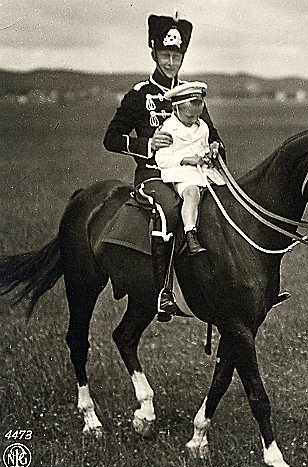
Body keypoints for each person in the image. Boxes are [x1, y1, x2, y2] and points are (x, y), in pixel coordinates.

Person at [103, 12, 226, 322]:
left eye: (177, 56)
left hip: (191, 173)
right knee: (171, 211)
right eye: (165, 55)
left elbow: (213, 135)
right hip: (153, 176)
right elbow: (111, 138)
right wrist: (146, 146)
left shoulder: (190, 96)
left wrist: (215, 148)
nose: (171, 62)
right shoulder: (139, 95)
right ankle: (163, 292)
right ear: (154, 54)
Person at [155, 81, 224, 256]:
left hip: (203, 171)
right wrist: (186, 159)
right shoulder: (168, 129)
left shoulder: (202, 127)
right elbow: (162, 159)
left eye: (197, 116)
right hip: (180, 173)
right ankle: (190, 234)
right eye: (189, 117)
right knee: (192, 193)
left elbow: (202, 147)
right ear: (176, 109)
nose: (194, 120)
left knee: (223, 192)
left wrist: (210, 151)